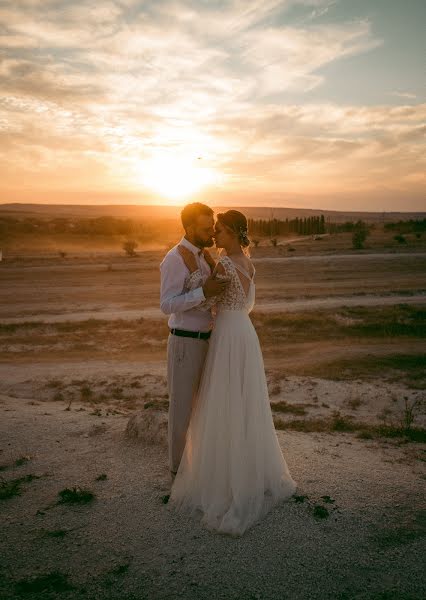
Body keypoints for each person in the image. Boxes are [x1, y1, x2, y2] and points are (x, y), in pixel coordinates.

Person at [169, 209, 297, 536]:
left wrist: (199, 286)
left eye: (221, 231)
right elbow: (244, 302)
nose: (215, 236)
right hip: (245, 333)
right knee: (244, 402)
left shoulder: (225, 264)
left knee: (223, 401)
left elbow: (209, 300)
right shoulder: (249, 263)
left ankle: (224, 477)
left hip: (227, 335)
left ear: (234, 233)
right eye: (215, 230)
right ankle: (247, 467)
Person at [159, 202, 230, 482]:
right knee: (181, 411)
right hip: (185, 344)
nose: (212, 231)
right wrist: (203, 292)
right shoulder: (174, 259)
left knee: (205, 408)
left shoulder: (204, 257)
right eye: (205, 227)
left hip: (208, 342)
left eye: (212, 226)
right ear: (189, 228)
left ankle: (199, 466)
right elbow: (166, 305)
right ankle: (177, 474)